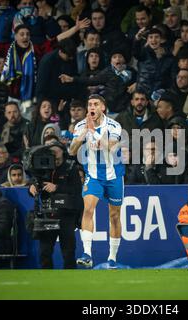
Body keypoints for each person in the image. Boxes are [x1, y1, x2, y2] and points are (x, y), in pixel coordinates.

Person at [69, 94, 124, 269]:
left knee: (114, 216)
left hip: (114, 175)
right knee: (88, 209)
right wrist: (84, 132)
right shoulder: (80, 126)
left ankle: (112, 257)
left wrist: (93, 132)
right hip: (93, 175)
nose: (92, 107)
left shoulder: (114, 125)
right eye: (90, 104)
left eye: (96, 104)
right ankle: (87, 254)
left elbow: (113, 146)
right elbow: (71, 151)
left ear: (103, 108)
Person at [29, 141, 82, 269]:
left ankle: (70, 280)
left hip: (66, 215)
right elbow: (36, 182)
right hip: (48, 214)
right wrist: (31, 188)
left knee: (68, 252)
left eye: (55, 151)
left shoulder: (71, 167)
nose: (52, 153)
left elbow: (76, 190)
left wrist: (57, 187)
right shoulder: (43, 166)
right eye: (50, 151)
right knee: (44, 251)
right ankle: (46, 280)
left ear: (62, 152)